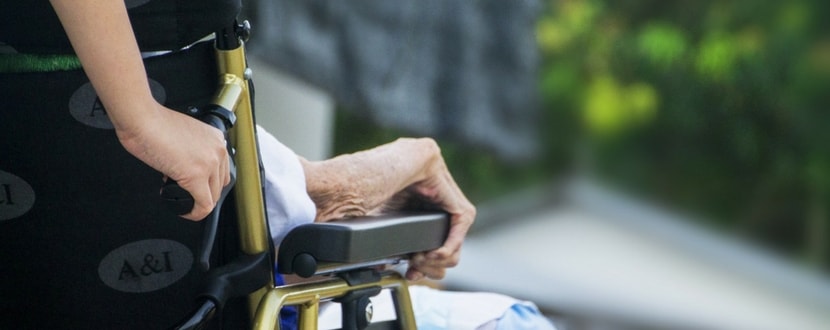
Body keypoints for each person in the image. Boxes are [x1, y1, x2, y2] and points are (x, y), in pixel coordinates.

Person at [30, 0, 556, 328]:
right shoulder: (162, 111)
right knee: (513, 320)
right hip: (210, 301)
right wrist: (139, 117)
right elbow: (279, 219)